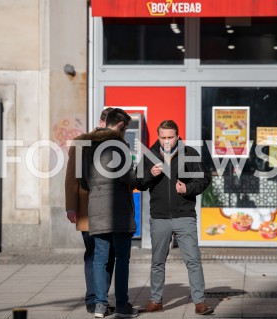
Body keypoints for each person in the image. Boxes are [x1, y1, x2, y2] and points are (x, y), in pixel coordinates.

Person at [136, 120, 214, 315]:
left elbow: (204, 179)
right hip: (160, 217)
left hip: (184, 215)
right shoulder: (150, 155)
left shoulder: (190, 154)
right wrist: (149, 174)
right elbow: (138, 182)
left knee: (193, 260)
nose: (167, 141)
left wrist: (187, 189)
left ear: (178, 136)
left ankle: (199, 302)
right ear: (158, 137)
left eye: (171, 137)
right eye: (163, 137)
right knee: (157, 261)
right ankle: (156, 300)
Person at [81, 108, 138, 318]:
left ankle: (100, 306)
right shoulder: (120, 146)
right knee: (122, 257)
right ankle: (122, 305)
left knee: (99, 258)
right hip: (119, 209)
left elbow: (84, 181)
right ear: (121, 125)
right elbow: (130, 178)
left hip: (96, 207)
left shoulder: (87, 146)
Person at [65, 108, 115, 314]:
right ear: (102, 123)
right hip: (87, 208)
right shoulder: (81, 142)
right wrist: (71, 206)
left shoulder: (117, 142)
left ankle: (100, 298)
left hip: (112, 208)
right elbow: (71, 178)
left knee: (109, 254)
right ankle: (93, 299)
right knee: (94, 254)